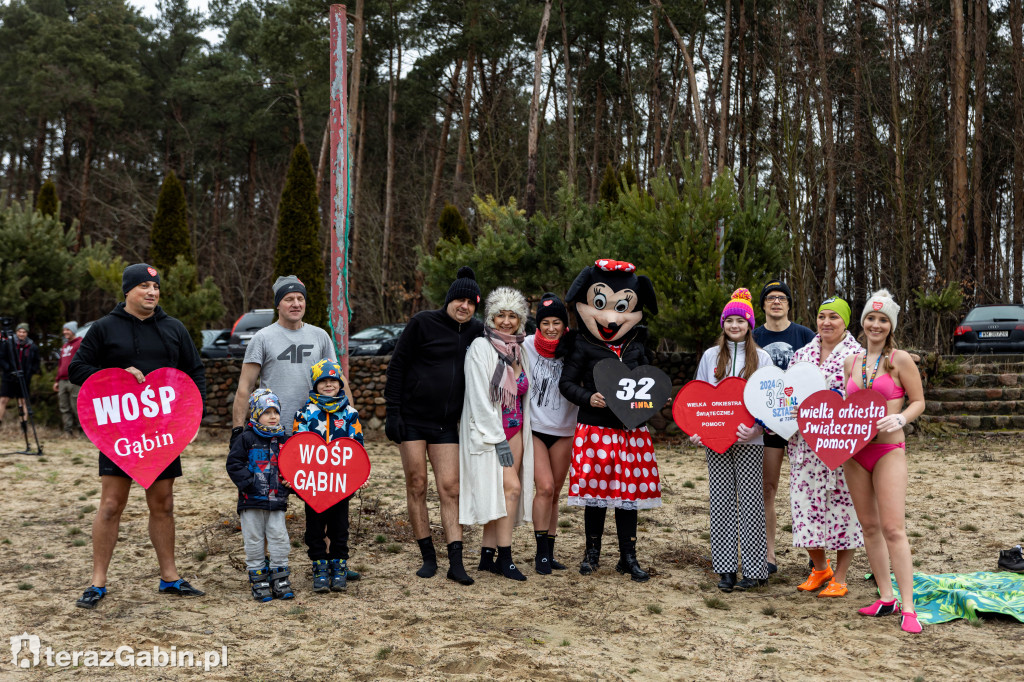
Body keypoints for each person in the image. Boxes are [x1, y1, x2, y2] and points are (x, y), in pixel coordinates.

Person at [70, 263, 207, 609]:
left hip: (162, 435)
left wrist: (191, 422)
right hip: (119, 434)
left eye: (156, 287)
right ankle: (97, 583)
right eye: (144, 286)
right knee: (111, 505)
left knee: (163, 504)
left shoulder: (174, 328)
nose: (152, 292)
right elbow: (76, 370)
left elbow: (195, 374)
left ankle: (170, 578)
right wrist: (113, 373)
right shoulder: (103, 328)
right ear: (127, 291)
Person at [559, 259, 660, 582]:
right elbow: (566, 383)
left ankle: (628, 557)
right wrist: (588, 397)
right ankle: (592, 553)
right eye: (600, 305)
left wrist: (653, 398)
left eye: (621, 307)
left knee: (627, 498)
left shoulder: (637, 343)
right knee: (597, 496)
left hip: (631, 431)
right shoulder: (583, 344)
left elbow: (648, 380)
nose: (611, 317)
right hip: (596, 430)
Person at [384, 266, 484, 585]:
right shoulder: (423, 323)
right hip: (412, 419)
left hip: (446, 424)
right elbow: (397, 366)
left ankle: (456, 562)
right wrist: (393, 413)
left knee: (450, 488)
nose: (464, 306)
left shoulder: (478, 332)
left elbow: (509, 339)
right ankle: (428, 557)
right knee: (416, 484)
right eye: (460, 300)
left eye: (471, 302)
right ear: (449, 300)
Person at [843, 290, 925, 633]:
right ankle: (886, 596)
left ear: (891, 325)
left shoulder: (900, 359)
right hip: (855, 454)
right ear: (862, 322)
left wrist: (902, 419)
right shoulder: (851, 360)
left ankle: (909, 607)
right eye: (871, 318)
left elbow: (918, 401)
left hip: (889, 450)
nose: (876, 325)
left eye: (883, 319)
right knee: (870, 527)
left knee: (893, 528)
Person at [690, 288, 772, 592]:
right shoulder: (711, 357)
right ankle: (725, 569)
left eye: (740, 320)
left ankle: (754, 569)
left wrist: (758, 430)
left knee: (751, 504)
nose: (734, 325)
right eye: (729, 320)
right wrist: (698, 430)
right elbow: (698, 397)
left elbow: (768, 401)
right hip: (717, 442)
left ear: (749, 324)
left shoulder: (761, 358)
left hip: (749, 441)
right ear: (723, 324)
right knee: (722, 502)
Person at [787, 296, 864, 599]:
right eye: (821, 316)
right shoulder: (802, 354)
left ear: (845, 321)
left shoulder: (857, 355)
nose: (826, 322)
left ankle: (841, 577)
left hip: (842, 446)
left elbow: (861, 399)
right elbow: (788, 393)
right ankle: (820, 568)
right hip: (805, 447)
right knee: (804, 508)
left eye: (833, 316)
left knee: (845, 511)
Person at [460, 287, 535, 581]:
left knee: (503, 495)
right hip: (491, 433)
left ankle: (486, 557)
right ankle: (507, 559)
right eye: (500, 315)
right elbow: (479, 398)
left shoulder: (518, 349)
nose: (506, 321)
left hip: (515, 430)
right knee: (512, 489)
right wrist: (498, 438)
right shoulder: (481, 347)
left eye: (512, 316)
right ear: (491, 317)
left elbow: (523, 393)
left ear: (520, 320)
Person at [751, 279, 815, 574]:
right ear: (762, 305)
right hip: (769, 425)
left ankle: (818, 562)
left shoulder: (805, 335)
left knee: (813, 490)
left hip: (804, 426)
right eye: (770, 298)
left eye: (782, 298)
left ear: (789, 304)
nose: (776, 302)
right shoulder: (753, 337)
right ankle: (769, 555)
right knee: (768, 488)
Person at [292, 359, 364, 592]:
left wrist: (360, 475)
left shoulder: (350, 414)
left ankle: (339, 567)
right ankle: (320, 568)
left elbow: (357, 449)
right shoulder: (304, 414)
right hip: (313, 485)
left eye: (334, 380)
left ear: (340, 383)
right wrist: (293, 476)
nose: (329, 384)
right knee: (314, 529)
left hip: (341, 484)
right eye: (323, 381)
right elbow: (297, 449)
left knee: (340, 528)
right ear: (315, 385)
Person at [523, 293, 578, 574]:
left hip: (565, 429)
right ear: (538, 324)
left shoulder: (574, 347)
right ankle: (541, 553)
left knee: (555, 493)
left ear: (564, 324)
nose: (551, 328)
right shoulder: (526, 346)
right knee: (543, 487)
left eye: (557, 322)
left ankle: (551, 550)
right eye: (545, 322)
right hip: (535, 428)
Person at [226, 389, 293, 602]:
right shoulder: (246, 438)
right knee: (254, 539)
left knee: (279, 537)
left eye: (276, 411)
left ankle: (280, 577)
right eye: (267, 411)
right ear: (255, 413)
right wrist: (249, 484)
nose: (273, 416)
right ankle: (258, 578)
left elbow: (293, 466)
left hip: (277, 500)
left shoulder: (285, 439)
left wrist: (290, 483)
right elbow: (234, 463)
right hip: (251, 500)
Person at [0, 322, 40, 432]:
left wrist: (30, 373)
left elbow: (36, 362)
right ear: (16, 332)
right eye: (19, 331)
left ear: (27, 333)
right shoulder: (8, 344)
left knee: (22, 402)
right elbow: (1, 358)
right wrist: (9, 369)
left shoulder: (32, 346)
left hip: (24, 378)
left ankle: (24, 426)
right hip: (9, 377)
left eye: (24, 332)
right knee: (3, 399)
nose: (21, 334)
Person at [53, 321, 83, 438]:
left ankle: (82, 431)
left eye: (67, 330)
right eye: (64, 330)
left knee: (77, 406)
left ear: (73, 331)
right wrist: (57, 380)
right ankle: (68, 431)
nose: (65, 332)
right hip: (62, 381)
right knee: (64, 407)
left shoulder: (80, 343)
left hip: (74, 381)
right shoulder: (64, 346)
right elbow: (61, 364)